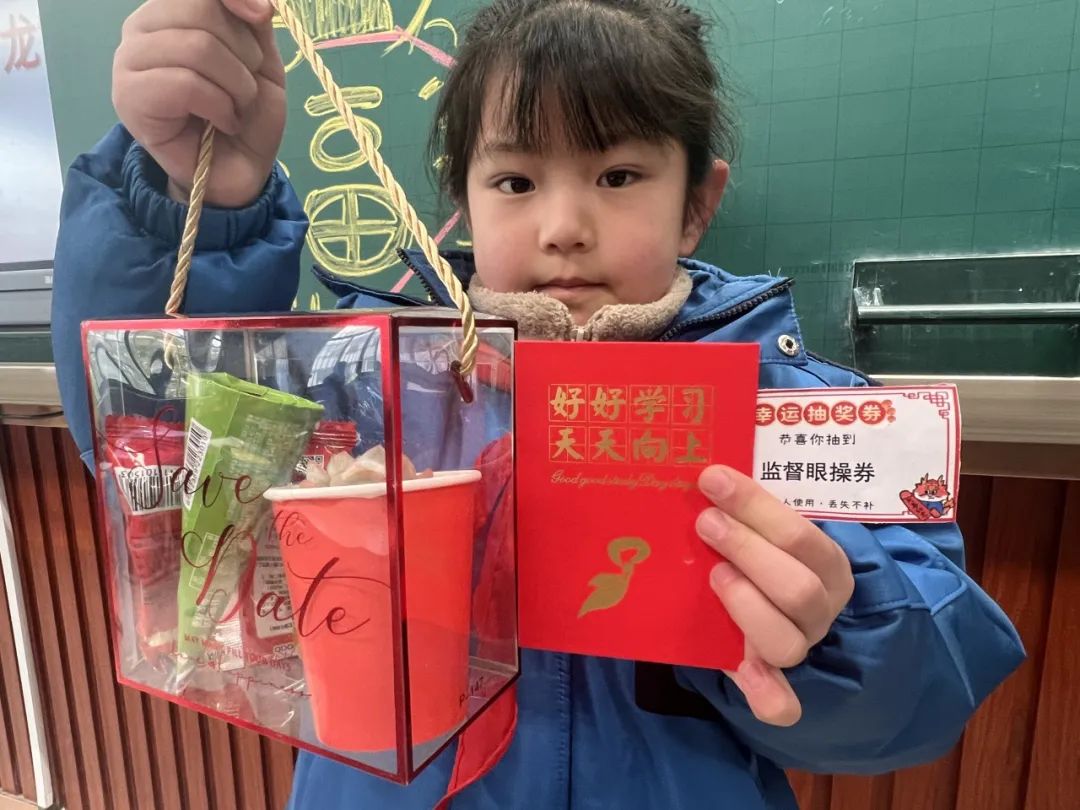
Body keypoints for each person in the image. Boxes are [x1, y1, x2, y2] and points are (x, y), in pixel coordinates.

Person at [50, 0, 1025, 807]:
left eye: (619, 175)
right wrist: (198, 202)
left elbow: (924, 693)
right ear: (463, 201)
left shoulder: (801, 420)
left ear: (698, 201)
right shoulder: (364, 388)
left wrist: (834, 625)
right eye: (515, 180)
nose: (563, 226)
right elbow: (165, 460)